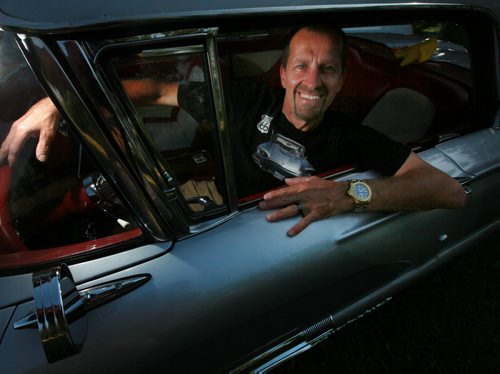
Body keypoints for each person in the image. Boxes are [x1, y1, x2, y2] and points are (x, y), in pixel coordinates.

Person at [0, 25, 466, 237]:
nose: (312, 81)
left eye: (328, 69)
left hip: (241, 235)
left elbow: (448, 191)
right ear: (282, 73)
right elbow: (157, 90)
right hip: (203, 205)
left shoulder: (351, 136)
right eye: (301, 66)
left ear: (341, 79)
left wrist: (348, 195)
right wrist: (56, 102)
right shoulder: (244, 101)